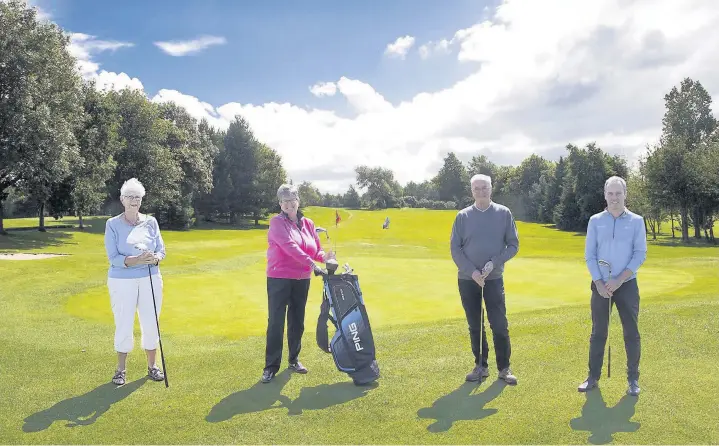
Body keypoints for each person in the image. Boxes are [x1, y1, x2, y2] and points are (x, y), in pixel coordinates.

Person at [579, 176, 647, 396]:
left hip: (626, 284)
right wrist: (599, 282)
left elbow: (640, 254)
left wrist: (618, 280)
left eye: (618, 193)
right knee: (598, 332)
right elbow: (590, 256)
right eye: (611, 193)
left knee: (631, 333)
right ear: (605, 195)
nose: (614, 198)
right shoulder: (595, 220)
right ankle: (592, 378)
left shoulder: (636, 221)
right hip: (600, 286)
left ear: (625, 194)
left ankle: (633, 380)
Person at [450, 174, 520, 385]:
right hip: (467, 279)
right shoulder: (463, 216)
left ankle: (504, 368)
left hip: (494, 278)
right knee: (475, 325)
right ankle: (481, 366)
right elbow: (455, 248)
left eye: (485, 188)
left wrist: (493, 263)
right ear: (471, 191)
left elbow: (513, 245)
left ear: (491, 189)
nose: (481, 192)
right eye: (477, 188)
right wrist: (472, 272)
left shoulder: (503, 213)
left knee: (499, 324)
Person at [262, 184, 335, 383]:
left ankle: (293, 360)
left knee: (297, 321)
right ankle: (270, 367)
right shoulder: (276, 223)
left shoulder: (309, 224)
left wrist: (325, 257)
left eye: (292, 200)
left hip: (301, 279)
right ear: (280, 203)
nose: (289, 204)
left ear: (298, 201)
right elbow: (290, 247)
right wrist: (312, 264)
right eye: (284, 201)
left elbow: (315, 251)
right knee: (276, 322)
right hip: (279, 277)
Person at [103, 178, 166, 386]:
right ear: (122, 199)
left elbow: (161, 250)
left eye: (137, 197)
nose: (134, 201)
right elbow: (113, 258)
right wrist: (137, 260)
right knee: (124, 322)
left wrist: (155, 257)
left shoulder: (151, 222)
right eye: (130, 197)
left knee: (151, 321)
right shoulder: (112, 224)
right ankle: (120, 370)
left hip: (150, 277)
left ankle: (152, 366)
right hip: (122, 281)